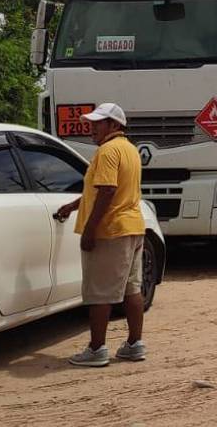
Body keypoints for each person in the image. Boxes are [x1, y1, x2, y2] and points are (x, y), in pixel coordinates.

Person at [54, 102, 148, 367]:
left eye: (98, 123)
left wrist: (90, 230)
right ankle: (134, 344)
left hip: (110, 231)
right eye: (92, 123)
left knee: (99, 293)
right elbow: (101, 191)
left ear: (114, 125)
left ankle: (97, 349)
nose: (92, 128)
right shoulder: (129, 150)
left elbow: (107, 190)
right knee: (132, 289)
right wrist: (73, 206)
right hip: (132, 227)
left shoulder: (107, 151)